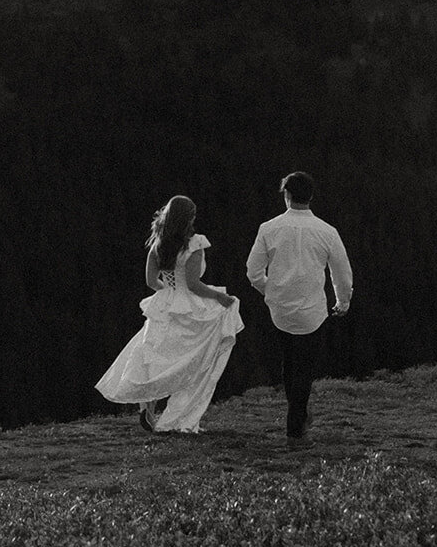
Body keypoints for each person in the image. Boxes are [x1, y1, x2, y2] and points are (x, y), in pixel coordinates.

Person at [96, 195, 243, 434]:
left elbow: (150, 281)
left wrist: (169, 294)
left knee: (157, 352)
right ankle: (179, 415)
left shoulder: (158, 245)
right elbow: (194, 285)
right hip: (189, 303)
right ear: (189, 218)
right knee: (193, 359)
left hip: (166, 301)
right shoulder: (194, 244)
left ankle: (148, 402)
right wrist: (219, 297)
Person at [246, 171, 353, 443]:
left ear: (287, 195)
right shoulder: (327, 232)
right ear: (311, 197)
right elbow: (341, 272)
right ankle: (296, 425)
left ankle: (298, 415)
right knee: (303, 367)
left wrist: (270, 291)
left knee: (289, 362)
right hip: (312, 311)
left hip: (279, 309)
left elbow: (253, 272)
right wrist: (343, 301)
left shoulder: (268, 229)